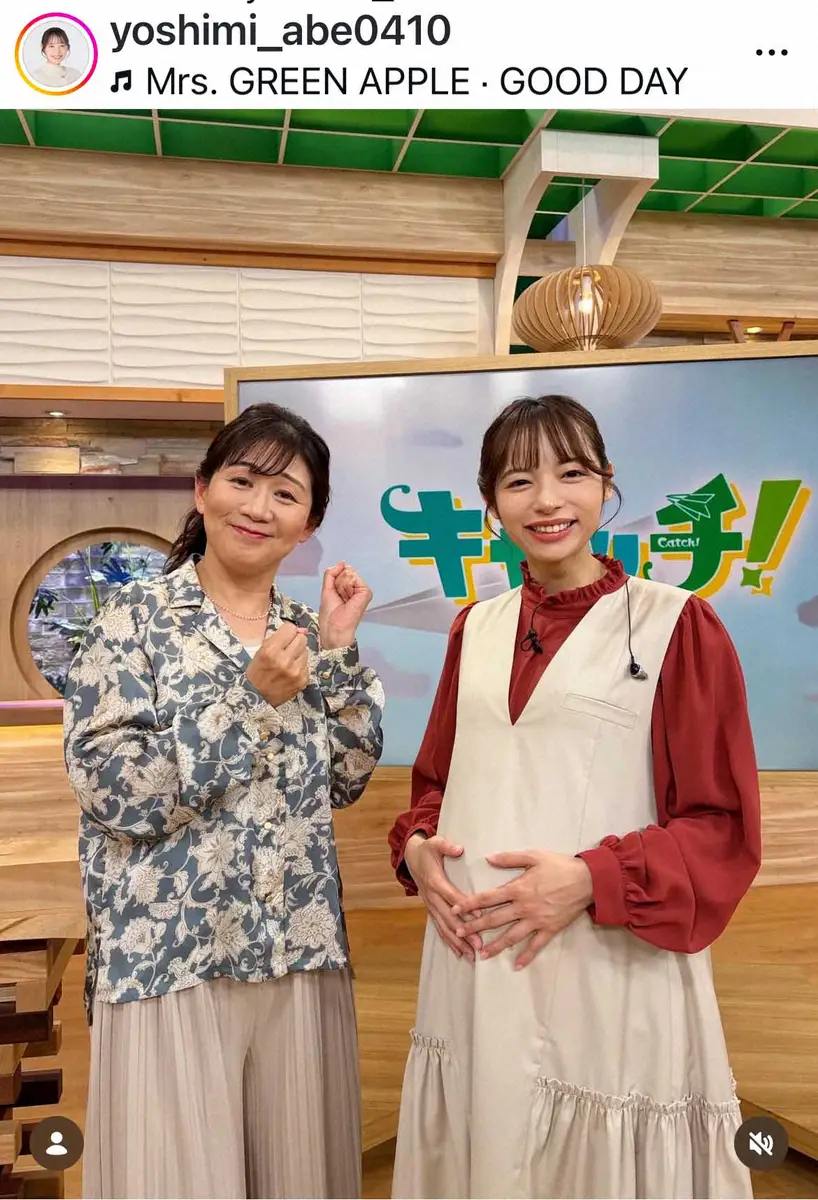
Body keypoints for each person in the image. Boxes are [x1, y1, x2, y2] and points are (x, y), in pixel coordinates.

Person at [387, 394, 761, 1200]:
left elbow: (721, 824)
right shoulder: (474, 628)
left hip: (607, 959)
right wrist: (418, 850)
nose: (547, 500)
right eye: (519, 481)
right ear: (490, 503)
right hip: (475, 962)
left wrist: (593, 877)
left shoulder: (676, 625)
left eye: (571, 474)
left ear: (606, 484)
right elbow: (437, 783)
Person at [63, 402, 385, 1199]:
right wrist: (250, 700)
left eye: (286, 494)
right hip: (169, 956)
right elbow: (115, 792)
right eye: (242, 481)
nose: (259, 507)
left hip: (295, 952)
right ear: (202, 490)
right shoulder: (130, 623)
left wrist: (338, 650)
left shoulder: (304, 632)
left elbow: (345, 779)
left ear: (309, 525)